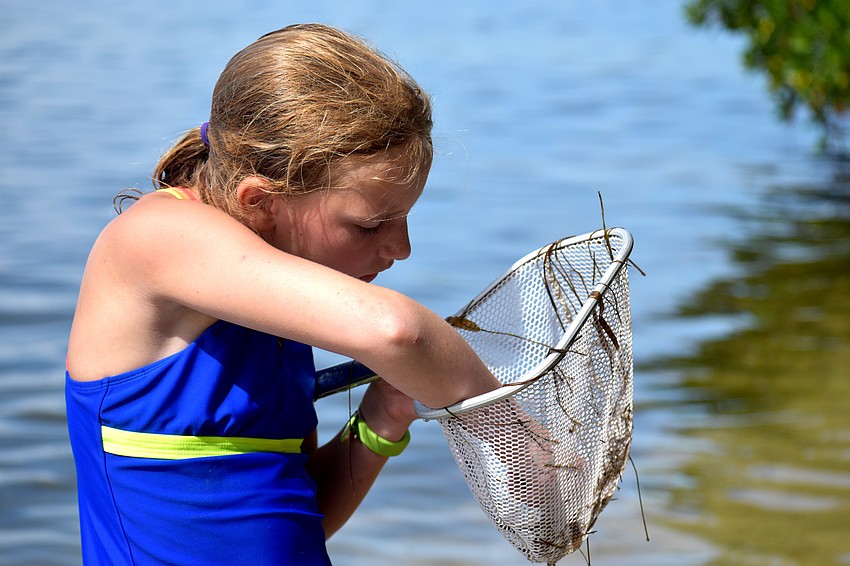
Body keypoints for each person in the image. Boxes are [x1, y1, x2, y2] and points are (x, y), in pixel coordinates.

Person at [65, 23, 500, 565]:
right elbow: (396, 332)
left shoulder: (268, 309)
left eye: (405, 218)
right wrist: (519, 437)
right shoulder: (155, 238)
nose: (402, 248)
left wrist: (381, 421)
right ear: (260, 202)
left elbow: (295, 515)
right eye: (370, 225)